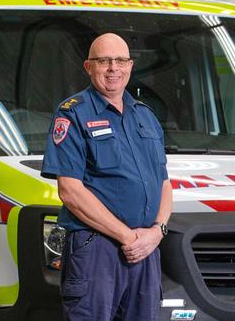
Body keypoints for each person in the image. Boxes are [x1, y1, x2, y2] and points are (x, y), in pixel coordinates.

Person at [41, 33, 172, 320]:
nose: (114, 68)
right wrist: (127, 237)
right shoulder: (73, 114)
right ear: (89, 67)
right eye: (104, 61)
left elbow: (163, 182)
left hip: (146, 249)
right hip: (96, 248)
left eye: (120, 60)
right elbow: (70, 192)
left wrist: (157, 232)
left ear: (130, 65)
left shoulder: (145, 115)